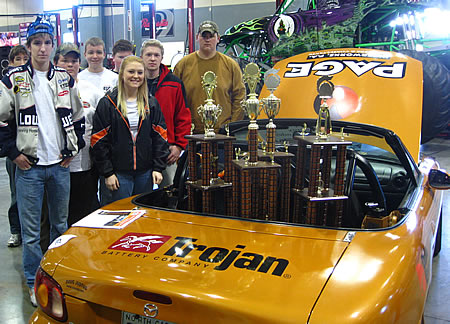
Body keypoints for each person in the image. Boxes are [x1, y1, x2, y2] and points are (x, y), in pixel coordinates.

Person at [0, 17, 85, 306]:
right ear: (29, 46)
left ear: (53, 46)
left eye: (47, 43)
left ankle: (59, 276)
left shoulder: (64, 78)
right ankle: (34, 284)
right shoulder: (13, 79)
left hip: (60, 166)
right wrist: (14, 154)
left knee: (61, 227)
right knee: (32, 232)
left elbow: (77, 117)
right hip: (30, 168)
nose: (43, 48)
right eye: (37, 43)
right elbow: (1, 121)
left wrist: (74, 147)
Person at [91, 56, 169, 202]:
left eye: (140, 72)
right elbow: (98, 141)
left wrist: (158, 168)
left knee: (142, 217)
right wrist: (107, 173)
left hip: (145, 173)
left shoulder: (150, 103)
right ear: (122, 74)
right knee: (118, 218)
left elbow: (160, 137)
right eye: (131, 72)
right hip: (117, 175)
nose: (136, 76)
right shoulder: (108, 104)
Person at [54, 43, 104, 226]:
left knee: (84, 211)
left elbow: (101, 126)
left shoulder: (91, 91)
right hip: (56, 164)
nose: (70, 65)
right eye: (64, 61)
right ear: (55, 62)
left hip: (84, 164)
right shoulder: (47, 89)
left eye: (74, 61)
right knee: (60, 213)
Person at [173, 20, 245, 134]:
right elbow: (174, 98)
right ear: (197, 37)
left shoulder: (231, 65)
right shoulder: (183, 65)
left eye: (211, 36)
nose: (207, 39)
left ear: (218, 38)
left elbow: (239, 96)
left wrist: (231, 126)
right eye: (204, 36)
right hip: (191, 133)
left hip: (222, 133)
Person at [141, 39, 191, 187]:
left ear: (162, 57)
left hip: (167, 151)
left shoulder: (174, 83)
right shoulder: (133, 82)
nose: (152, 58)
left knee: (170, 193)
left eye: (156, 55)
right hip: (140, 151)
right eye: (148, 54)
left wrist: (179, 146)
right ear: (141, 56)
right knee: (140, 195)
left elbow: (183, 117)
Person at [79, 37, 118, 206]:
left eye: (99, 52)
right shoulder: (79, 78)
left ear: (105, 54)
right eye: (91, 52)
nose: (95, 56)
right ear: (85, 54)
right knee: (87, 190)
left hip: (108, 142)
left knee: (107, 188)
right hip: (86, 141)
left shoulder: (114, 78)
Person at [3, 45, 29, 247]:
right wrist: (12, 152)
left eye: (24, 59)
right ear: (10, 63)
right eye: (17, 59)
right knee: (16, 194)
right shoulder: (7, 86)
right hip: (15, 153)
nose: (21, 63)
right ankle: (15, 231)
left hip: (35, 153)